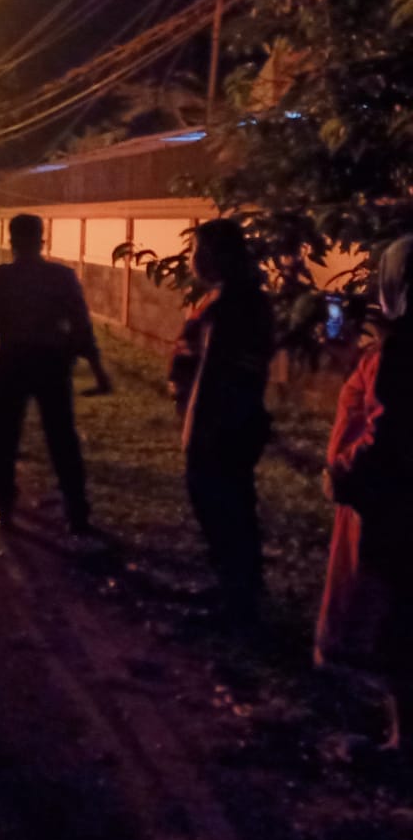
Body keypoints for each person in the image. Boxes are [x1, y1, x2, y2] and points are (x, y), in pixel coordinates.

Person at [315, 236, 413, 755]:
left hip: (391, 505)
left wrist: (344, 474)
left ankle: (401, 742)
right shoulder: (390, 349)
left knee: (395, 617)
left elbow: (389, 427)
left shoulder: (401, 351)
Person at [0, 214, 111, 531]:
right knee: (61, 437)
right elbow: (81, 325)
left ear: (11, 240)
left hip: (12, 361)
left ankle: (5, 507)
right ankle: (77, 512)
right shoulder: (61, 276)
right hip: (52, 361)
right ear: (42, 239)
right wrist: (97, 369)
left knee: (1, 437)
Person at [171, 218, 275, 621]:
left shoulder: (231, 305)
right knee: (232, 504)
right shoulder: (237, 299)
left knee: (220, 504)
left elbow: (213, 373)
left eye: (198, 251)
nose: (194, 260)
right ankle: (236, 589)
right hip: (233, 421)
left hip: (220, 423)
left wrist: (198, 427)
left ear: (218, 256)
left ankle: (237, 599)